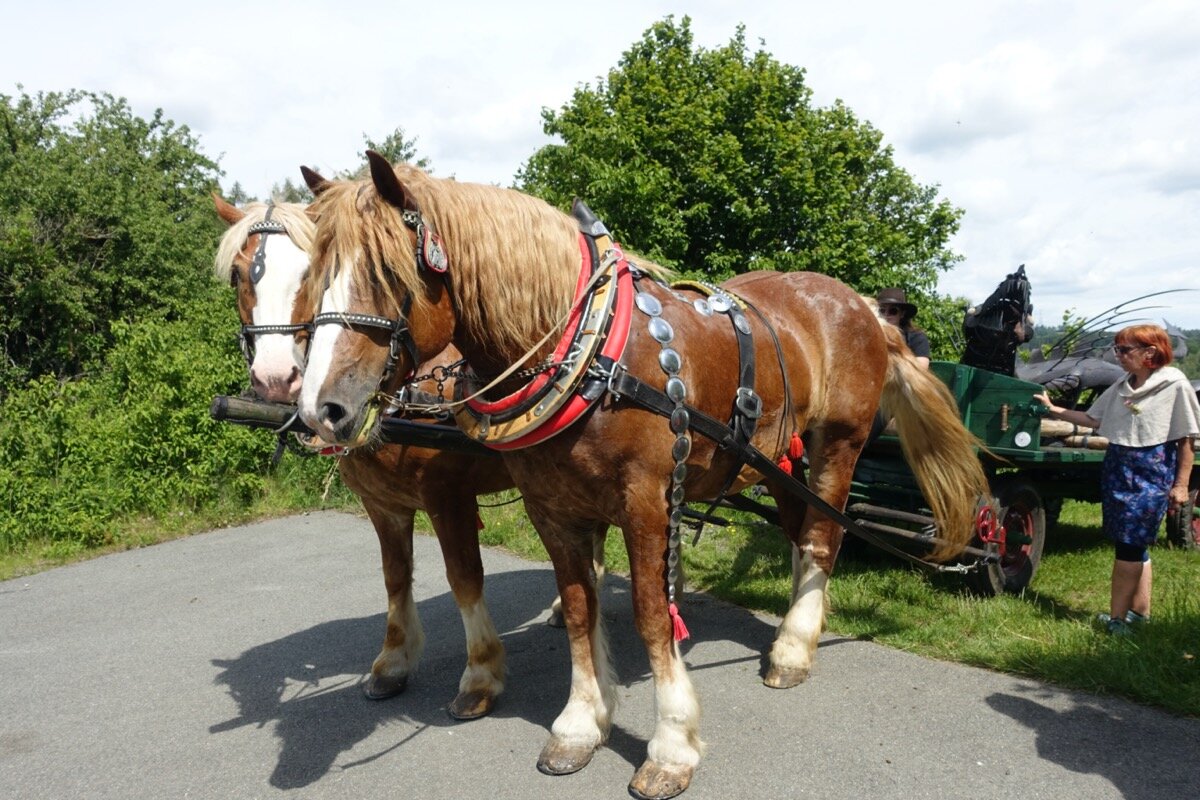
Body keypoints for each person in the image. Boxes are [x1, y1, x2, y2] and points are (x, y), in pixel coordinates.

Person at [1033, 324, 1200, 635]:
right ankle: (1139, 615)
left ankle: (1117, 621)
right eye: (1117, 349)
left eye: (1125, 350)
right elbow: (1093, 419)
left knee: (1129, 546)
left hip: (1152, 469)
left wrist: (1180, 485)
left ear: (1150, 352)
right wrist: (1054, 409)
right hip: (1118, 467)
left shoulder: (1174, 385)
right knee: (1135, 544)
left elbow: (1187, 440)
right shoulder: (1123, 384)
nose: (1118, 356)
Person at [877, 288, 930, 369]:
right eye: (881, 310)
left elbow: (921, 368)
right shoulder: (870, 335)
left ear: (902, 314)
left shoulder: (917, 337)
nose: (886, 315)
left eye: (893, 311)